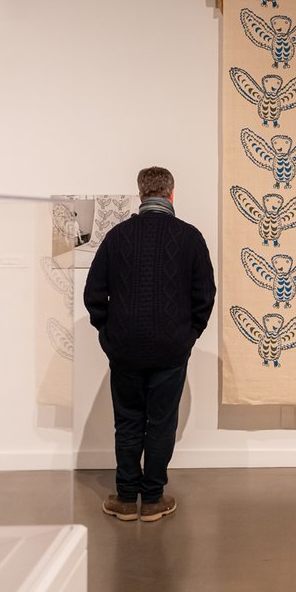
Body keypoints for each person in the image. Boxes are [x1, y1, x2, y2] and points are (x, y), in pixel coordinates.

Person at [83, 166, 216, 522]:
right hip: (171, 350)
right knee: (161, 422)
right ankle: (153, 499)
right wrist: (188, 335)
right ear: (171, 193)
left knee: (127, 421)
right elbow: (205, 296)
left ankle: (127, 499)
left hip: (125, 348)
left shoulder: (118, 237)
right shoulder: (190, 238)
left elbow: (94, 294)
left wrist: (108, 334)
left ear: (140, 194)